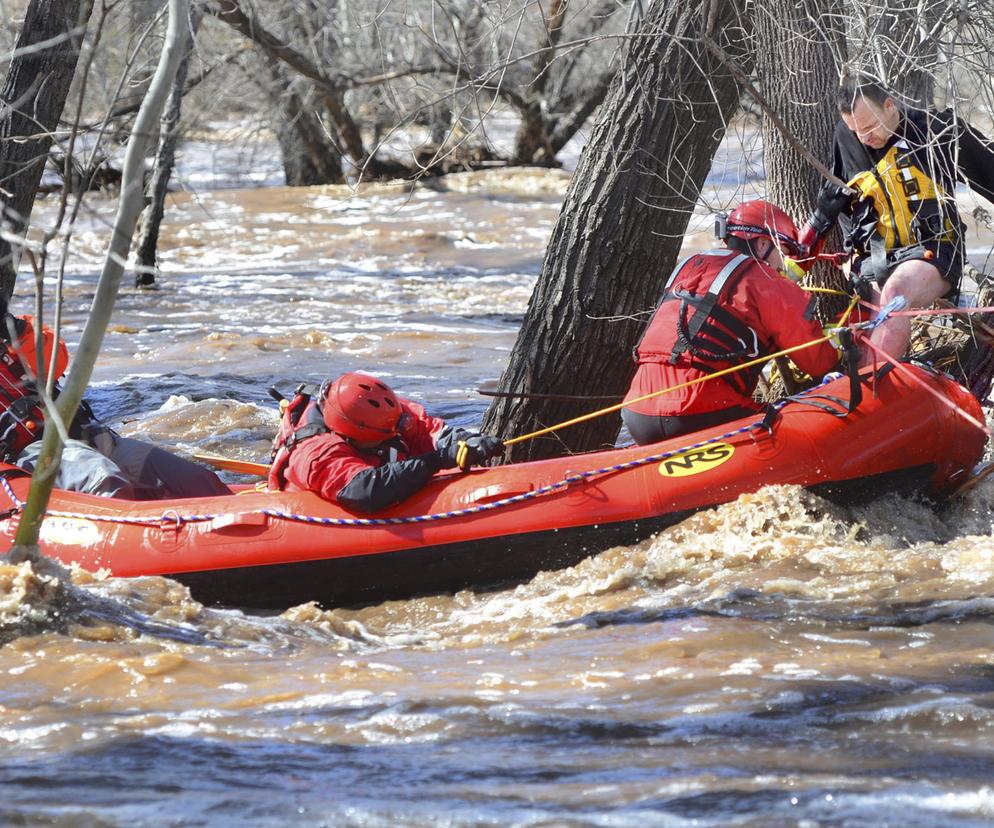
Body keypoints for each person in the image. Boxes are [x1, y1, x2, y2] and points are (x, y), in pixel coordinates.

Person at [799, 74, 994, 361]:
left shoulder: (935, 130)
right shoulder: (848, 137)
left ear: (890, 106)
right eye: (857, 131)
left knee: (896, 294)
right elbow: (843, 196)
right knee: (864, 335)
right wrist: (851, 255)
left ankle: (868, 398)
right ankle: (866, 391)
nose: (865, 138)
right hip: (878, 259)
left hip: (935, 252)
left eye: (869, 127)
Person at [621, 199, 841, 445]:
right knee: (804, 431)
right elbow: (820, 363)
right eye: (784, 254)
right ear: (763, 244)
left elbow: (752, 290)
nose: (783, 265)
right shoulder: (766, 281)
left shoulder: (692, 266)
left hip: (637, 412)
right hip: (701, 409)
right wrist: (845, 340)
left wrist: (818, 227)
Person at [0, 313, 230, 499]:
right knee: (105, 481)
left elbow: (56, 360)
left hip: (85, 436)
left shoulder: (15, 332)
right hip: (27, 457)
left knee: (196, 481)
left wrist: (15, 329)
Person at [269, 371, 505, 513]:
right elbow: (364, 490)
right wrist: (437, 461)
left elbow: (428, 431)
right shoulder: (316, 452)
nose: (395, 434)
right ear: (353, 434)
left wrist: (468, 442)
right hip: (321, 506)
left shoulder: (384, 410)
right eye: (386, 434)